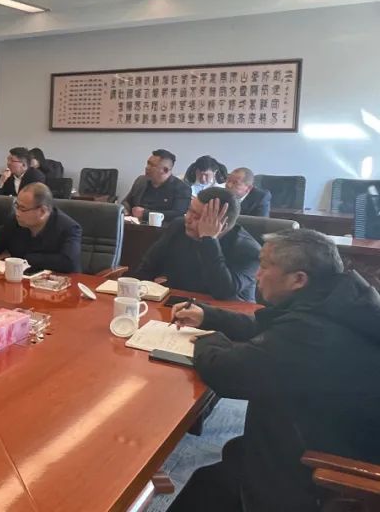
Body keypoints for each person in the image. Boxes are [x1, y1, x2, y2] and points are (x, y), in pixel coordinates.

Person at [168, 229, 380, 512]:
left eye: (265, 266)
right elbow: (271, 328)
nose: (257, 275)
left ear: (298, 279)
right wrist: (208, 316)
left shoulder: (313, 331)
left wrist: (208, 339)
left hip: (319, 469)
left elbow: (229, 373)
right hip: (322, 432)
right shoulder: (338, 301)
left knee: (206, 491)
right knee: (208, 482)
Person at [128, 187, 260, 302]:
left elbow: (222, 291)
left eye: (197, 217)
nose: (188, 218)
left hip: (226, 314)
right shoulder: (179, 227)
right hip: (180, 305)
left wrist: (209, 239)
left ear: (222, 226)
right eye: (189, 211)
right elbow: (147, 268)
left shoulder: (249, 251)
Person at [0, 183, 82, 273]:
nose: (17, 213)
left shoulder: (69, 228)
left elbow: (68, 262)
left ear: (42, 211)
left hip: (58, 280)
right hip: (20, 278)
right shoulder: (14, 221)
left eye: (22, 208)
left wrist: (28, 259)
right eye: (16, 206)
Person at [121, 149, 192, 223]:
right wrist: (125, 210)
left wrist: (145, 214)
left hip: (162, 228)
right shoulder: (141, 181)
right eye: (148, 163)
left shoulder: (182, 188)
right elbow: (127, 202)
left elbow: (178, 214)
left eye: (152, 165)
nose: (147, 167)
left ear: (165, 170)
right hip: (134, 225)